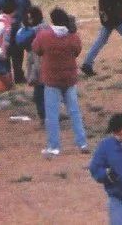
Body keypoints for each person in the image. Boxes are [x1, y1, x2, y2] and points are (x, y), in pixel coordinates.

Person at [33, 8, 88, 156]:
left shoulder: (44, 36)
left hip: (51, 79)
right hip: (69, 78)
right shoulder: (73, 37)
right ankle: (82, 143)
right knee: (74, 111)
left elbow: (36, 49)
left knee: (52, 114)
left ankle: (54, 146)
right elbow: (77, 51)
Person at [15, 5, 48, 122]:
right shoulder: (39, 27)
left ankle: (45, 116)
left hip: (39, 59)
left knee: (40, 89)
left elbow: (20, 40)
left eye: (30, 18)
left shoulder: (40, 29)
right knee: (40, 90)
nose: (29, 20)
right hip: (36, 59)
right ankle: (45, 115)